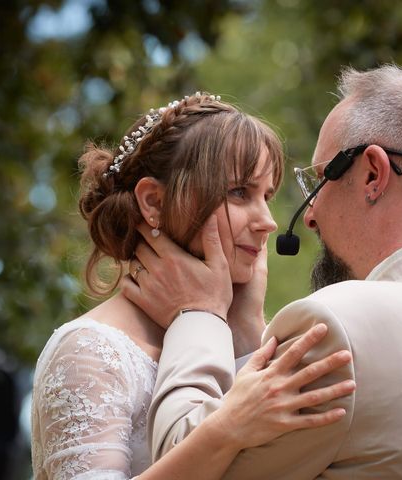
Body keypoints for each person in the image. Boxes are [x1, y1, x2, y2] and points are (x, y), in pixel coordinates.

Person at [124, 65, 402, 479]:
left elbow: (181, 456)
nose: (308, 216)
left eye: (319, 181)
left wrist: (198, 312)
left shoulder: (339, 324)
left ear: (372, 174)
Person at [30, 92, 356, 480]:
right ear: (153, 201)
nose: (268, 221)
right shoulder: (90, 351)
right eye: (239, 192)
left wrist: (248, 326)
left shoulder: (241, 329)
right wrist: (225, 428)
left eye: (265, 196)